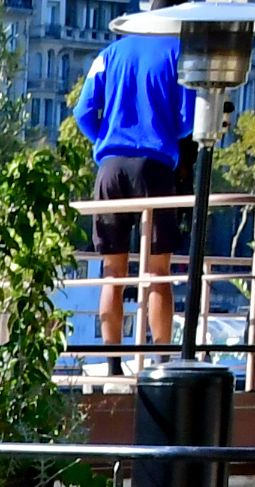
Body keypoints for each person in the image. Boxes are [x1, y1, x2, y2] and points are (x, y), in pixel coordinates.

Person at [72, 27, 191, 355]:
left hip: (110, 167)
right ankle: (162, 359)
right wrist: (165, 129)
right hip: (155, 166)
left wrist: (104, 140)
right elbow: (187, 119)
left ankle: (112, 362)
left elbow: (82, 112)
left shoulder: (110, 53)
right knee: (157, 271)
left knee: (113, 272)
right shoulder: (178, 52)